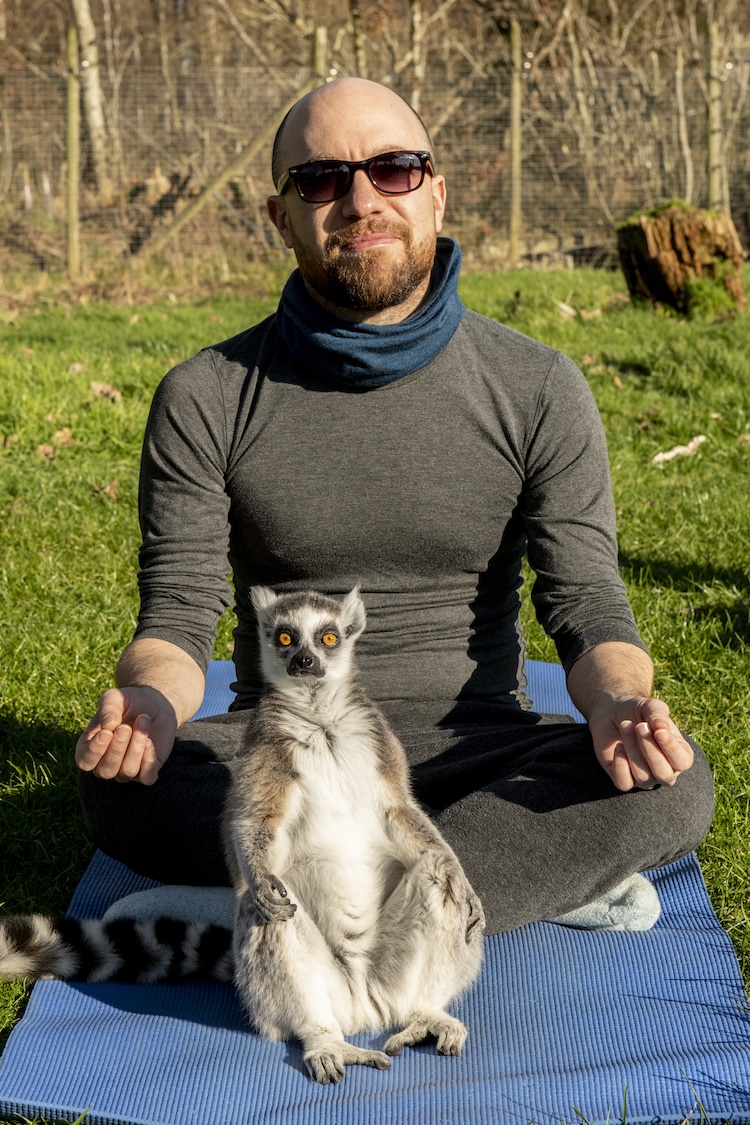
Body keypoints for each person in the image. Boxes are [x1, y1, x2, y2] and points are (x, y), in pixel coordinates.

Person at [75, 78, 713, 934]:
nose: (362, 200)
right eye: (322, 179)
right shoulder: (206, 395)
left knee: (670, 781)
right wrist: (149, 705)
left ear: (437, 195)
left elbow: (588, 603)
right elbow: (179, 615)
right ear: (281, 216)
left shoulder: (538, 386)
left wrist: (619, 706)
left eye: (395, 168)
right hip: (289, 753)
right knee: (125, 788)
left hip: (474, 751)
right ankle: (478, 892)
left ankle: (283, 907)